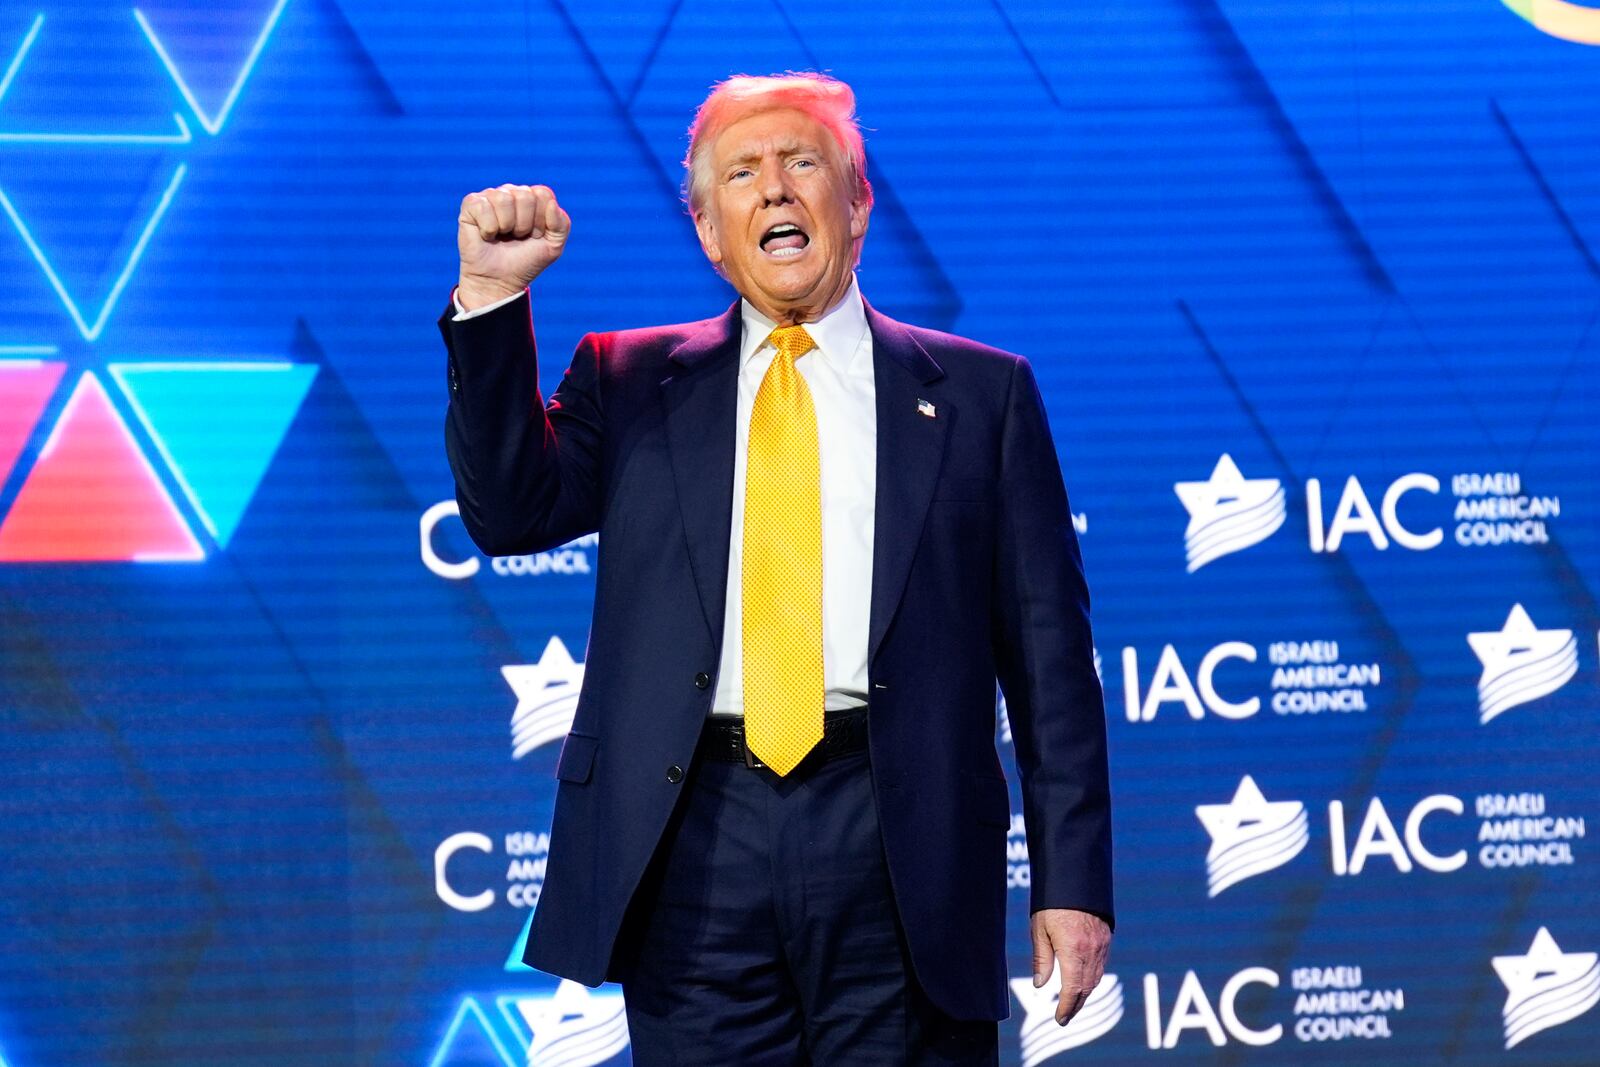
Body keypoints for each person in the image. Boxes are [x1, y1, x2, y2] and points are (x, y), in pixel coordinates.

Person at [440, 72, 1112, 1066]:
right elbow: (508, 511)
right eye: (743, 175)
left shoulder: (981, 394)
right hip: (694, 838)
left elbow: (1051, 661)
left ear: (857, 199)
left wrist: (1072, 878)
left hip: (904, 838)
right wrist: (495, 297)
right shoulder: (627, 380)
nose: (778, 191)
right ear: (711, 232)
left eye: (804, 164)